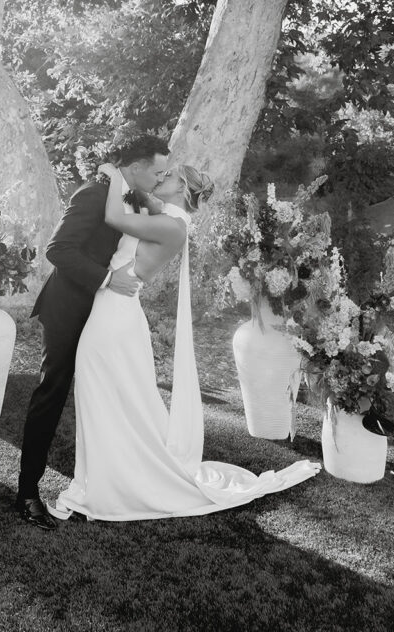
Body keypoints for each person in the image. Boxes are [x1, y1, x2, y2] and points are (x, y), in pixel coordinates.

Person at [48, 163, 321, 522]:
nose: (160, 178)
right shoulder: (170, 215)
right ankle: (99, 479)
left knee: (100, 393)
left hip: (113, 314)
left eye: (169, 177)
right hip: (115, 309)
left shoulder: (172, 224)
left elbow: (115, 215)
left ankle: (103, 486)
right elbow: (143, 202)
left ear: (183, 190)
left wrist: (113, 172)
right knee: (107, 397)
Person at [16, 134, 170, 529]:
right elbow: (58, 249)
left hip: (105, 316)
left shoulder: (128, 194)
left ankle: (104, 484)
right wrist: (106, 279)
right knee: (52, 393)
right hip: (69, 310)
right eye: (156, 171)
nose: (159, 178)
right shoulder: (92, 193)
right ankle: (27, 492)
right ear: (135, 167)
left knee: (107, 396)